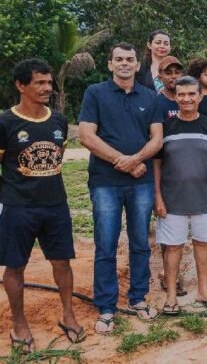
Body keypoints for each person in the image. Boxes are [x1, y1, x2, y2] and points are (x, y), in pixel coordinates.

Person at [0, 59, 85, 352]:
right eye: (40, 82)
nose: (47, 87)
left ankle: (68, 314)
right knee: (15, 266)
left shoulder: (58, 121)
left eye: (49, 82)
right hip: (17, 207)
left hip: (55, 205)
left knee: (62, 262)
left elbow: (55, 158)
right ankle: (19, 324)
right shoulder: (5, 123)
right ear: (21, 85)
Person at [78, 43, 163, 333]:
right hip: (105, 182)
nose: (125, 63)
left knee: (140, 242)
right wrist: (122, 161)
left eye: (130, 59)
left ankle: (138, 298)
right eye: (119, 59)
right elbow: (86, 136)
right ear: (110, 64)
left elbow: (157, 139)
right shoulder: (95, 93)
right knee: (106, 243)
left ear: (138, 65)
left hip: (141, 182)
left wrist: (137, 159)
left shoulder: (150, 97)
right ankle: (105, 306)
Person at [153, 77, 207, 314]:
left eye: (191, 94)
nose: (186, 99)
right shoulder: (166, 127)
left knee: (202, 246)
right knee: (173, 247)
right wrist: (157, 197)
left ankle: (204, 290)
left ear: (200, 96)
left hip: (204, 199)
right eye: (181, 95)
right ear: (175, 97)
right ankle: (172, 295)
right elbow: (156, 165)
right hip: (172, 200)